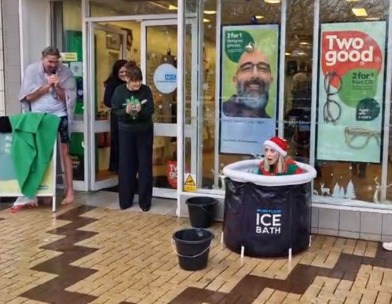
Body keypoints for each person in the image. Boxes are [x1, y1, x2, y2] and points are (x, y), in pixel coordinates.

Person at [19, 46, 76, 205]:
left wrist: (57, 86)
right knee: (42, 152)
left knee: (65, 151)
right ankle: (42, 191)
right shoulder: (32, 71)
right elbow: (28, 97)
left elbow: (69, 99)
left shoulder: (64, 72)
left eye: (56, 62)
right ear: (42, 59)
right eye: (50, 61)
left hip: (60, 114)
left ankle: (69, 190)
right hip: (39, 115)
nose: (53, 65)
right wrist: (47, 86)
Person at [111, 61, 154, 212]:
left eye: (139, 81)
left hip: (144, 131)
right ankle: (125, 200)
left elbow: (151, 109)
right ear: (127, 79)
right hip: (126, 132)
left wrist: (141, 110)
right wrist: (126, 111)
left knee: (145, 166)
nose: (137, 84)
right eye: (134, 81)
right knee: (126, 166)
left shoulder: (146, 90)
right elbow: (115, 111)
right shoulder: (119, 91)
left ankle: (145, 202)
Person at [223, 47, 273, 118]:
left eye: (262, 68)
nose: (255, 75)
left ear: (271, 81)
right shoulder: (220, 115)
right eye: (247, 68)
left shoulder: (272, 125)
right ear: (235, 81)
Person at [103, 59, 127, 173]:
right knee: (118, 143)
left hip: (129, 118)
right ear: (116, 72)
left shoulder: (131, 83)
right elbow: (107, 101)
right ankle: (118, 169)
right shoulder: (113, 83)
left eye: (126, 71)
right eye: (121, 71)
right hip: (118, 117)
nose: (123, 74)